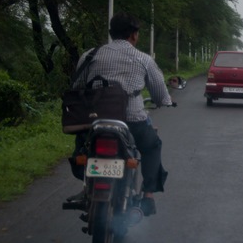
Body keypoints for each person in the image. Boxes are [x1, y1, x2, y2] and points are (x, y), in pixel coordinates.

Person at [67, 12, 174, 216]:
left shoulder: (89, 55)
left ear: (111, 33)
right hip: (131, 122)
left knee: (82, 151)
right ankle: (148, 196)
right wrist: (165, 102)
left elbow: (77, 87)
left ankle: (87, 184)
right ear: (134, 35)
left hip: (94, 122)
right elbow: (160, 94)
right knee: (152, 146)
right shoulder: (143, 59)